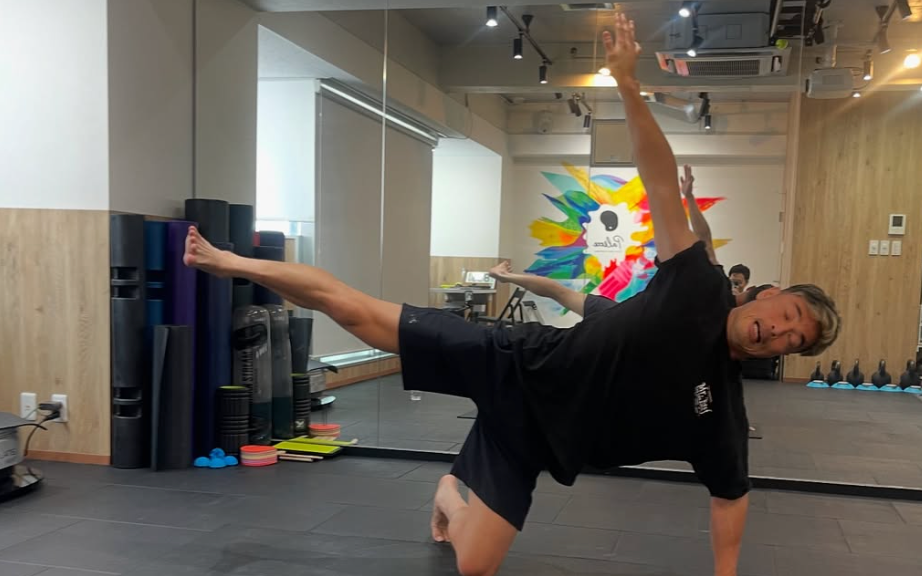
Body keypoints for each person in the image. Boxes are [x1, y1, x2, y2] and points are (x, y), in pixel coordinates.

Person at [184, 14, 840, 576]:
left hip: (531, 440)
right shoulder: (695, 283)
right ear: (769, 294)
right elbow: (660, 182)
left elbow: (730, 500)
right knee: (354, 312)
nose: (781, 332)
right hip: (515, 361)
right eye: (788, 315)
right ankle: (228, 259)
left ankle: (451, 490)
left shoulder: (722, 416)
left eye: (795, 339)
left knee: (474, 566)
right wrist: (627, 82)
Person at [489, 163, 754, 318]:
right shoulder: (717, 286)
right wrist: (690, 198)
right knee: (562, 293)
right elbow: (705, 239)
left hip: (634, 324)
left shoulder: (721, 311)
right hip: (629, 317)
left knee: (563, 294)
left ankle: (504, 276)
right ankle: (504, 275)